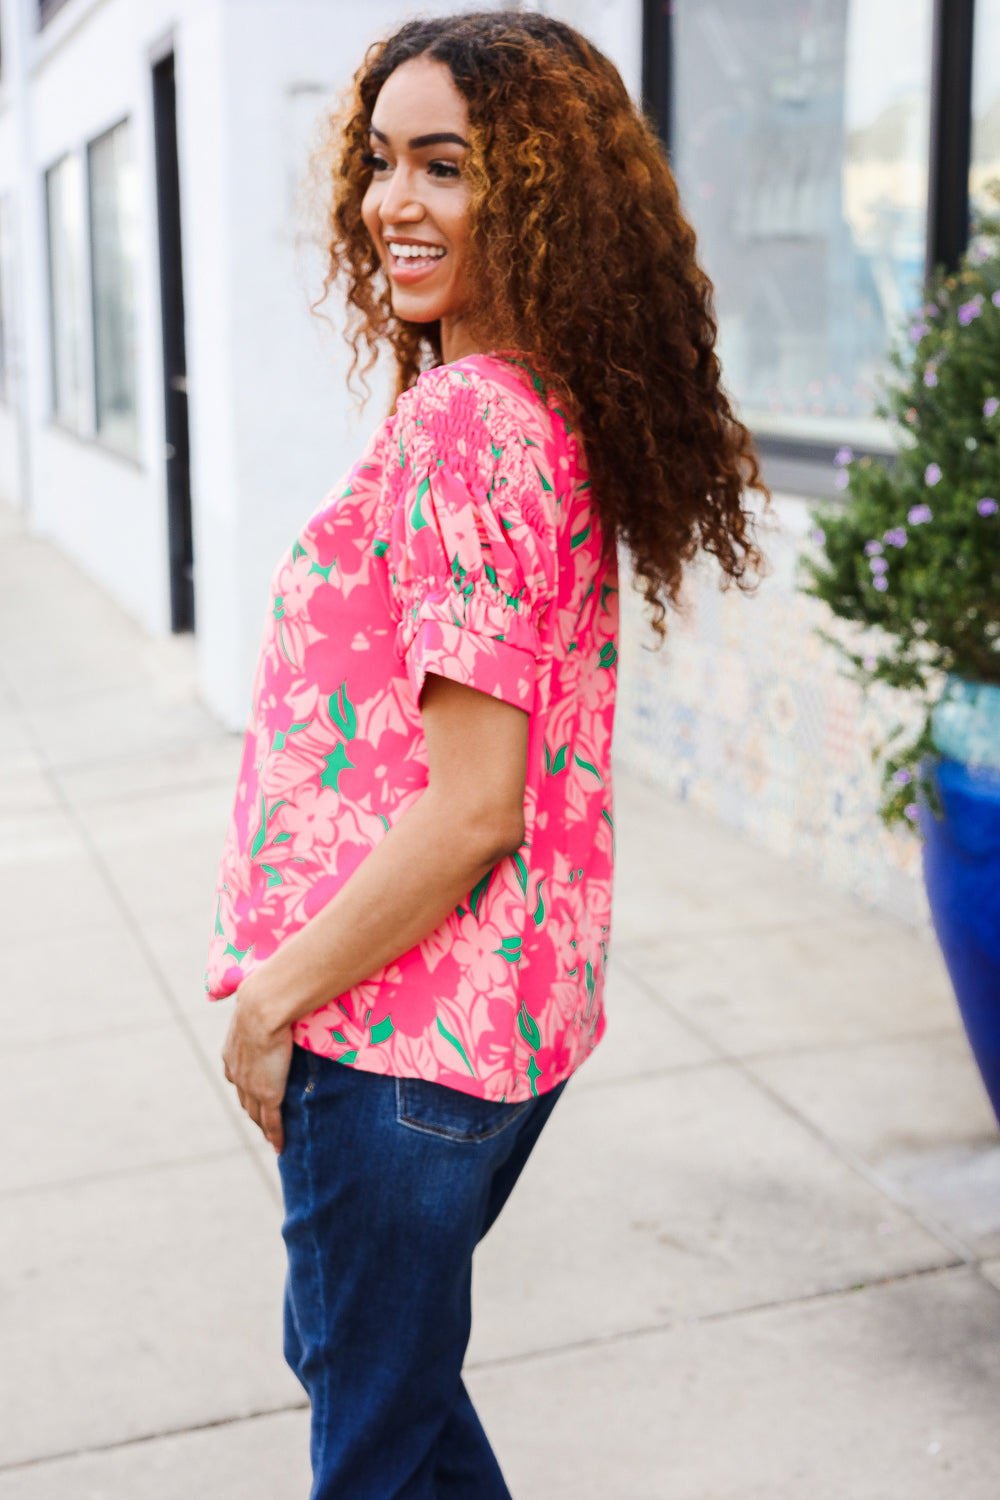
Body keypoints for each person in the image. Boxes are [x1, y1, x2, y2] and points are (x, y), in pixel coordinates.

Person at [208, 11, 765, 1497]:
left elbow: (473, 811)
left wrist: (271, 997)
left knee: (373, 1442)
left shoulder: (468, 423)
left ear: (532, 195)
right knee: (379, 1391)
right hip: (497, 1031)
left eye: (445, 167)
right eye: (383, 161)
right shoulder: (539, 404)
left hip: (399, 1036)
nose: (394, 202)